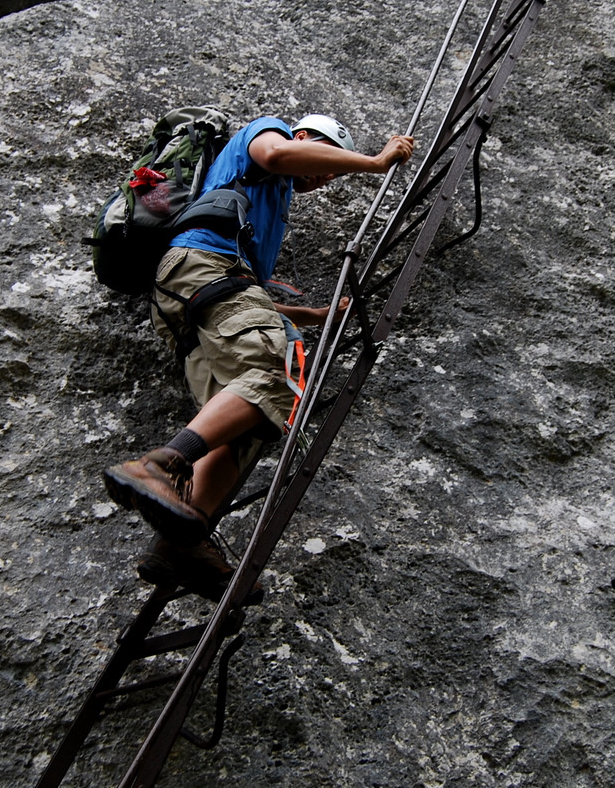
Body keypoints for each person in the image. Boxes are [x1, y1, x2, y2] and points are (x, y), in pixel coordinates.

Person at [103, 113, 414, 601]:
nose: (327, 176)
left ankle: (182, 541)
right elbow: (276, 154)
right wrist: (373, 163)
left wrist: (311, 313)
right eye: (328, 159)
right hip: (202, 269)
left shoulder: (270, 206)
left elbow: (242, 295)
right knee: (276, 372)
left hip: (196, 297)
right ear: (307, 138)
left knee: (244, 425)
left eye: (334, 173)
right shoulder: (270, 135)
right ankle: (160, 466)